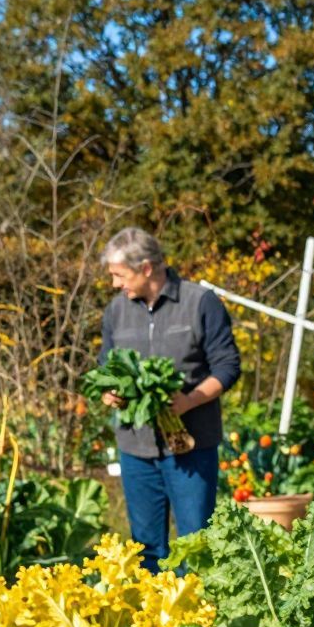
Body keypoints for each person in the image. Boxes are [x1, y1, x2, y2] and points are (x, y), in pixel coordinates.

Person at [98, 227, 241, 571]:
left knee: (195, 545)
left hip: (191, 446)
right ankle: (153, 623)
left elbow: (227, 366)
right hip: (136, 448)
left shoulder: (199, 303)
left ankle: (195, 623)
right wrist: (109, 391)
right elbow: (105, 365)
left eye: (120, 275)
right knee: (145, 547)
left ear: (146, 268)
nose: (116, 284)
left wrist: (189, 401)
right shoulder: (116, 311)